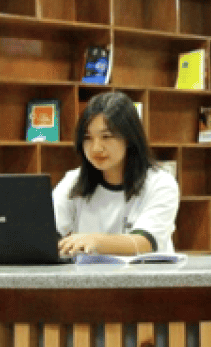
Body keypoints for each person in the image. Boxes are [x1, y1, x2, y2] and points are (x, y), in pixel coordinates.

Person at [55, 91, 179, 256]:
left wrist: (95, 241)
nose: (96, 148)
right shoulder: (72, 181)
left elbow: (144, 243)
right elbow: (49, 234)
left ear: (129, 138)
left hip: (145, 272)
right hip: (86, 273)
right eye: (88, 138)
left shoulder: (161, 183)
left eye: (106, 136)